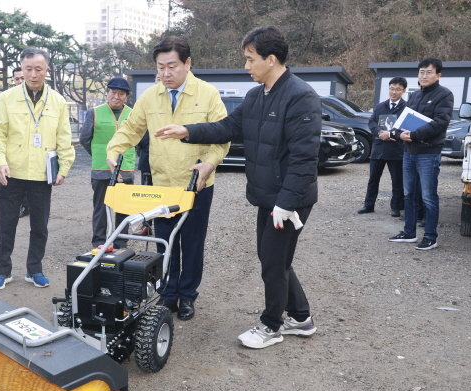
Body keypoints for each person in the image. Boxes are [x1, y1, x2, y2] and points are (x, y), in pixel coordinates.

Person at [156, 26, 320, 347]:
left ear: (270, 59)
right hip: (267, 196)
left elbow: (305, 158)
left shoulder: (301, 96)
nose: (246, 66)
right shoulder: (256, 96)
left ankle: (271, 326)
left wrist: (286, 203)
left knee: (273, 263)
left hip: (289, 200)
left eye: (250, 59)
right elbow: (227, 128)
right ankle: (301, 317)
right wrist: (187, 130)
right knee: (273, 259)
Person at [106, 37, 229, 321]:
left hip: (196, 185)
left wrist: (210, 163)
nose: (165, 73)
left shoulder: (208, 94)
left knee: (192, 243)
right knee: (164, 242)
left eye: (172, 66)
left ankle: (187, 295)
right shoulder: (151, 96)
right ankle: (168, 292)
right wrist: (114, 151)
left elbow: (222, 135)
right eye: (160, 67)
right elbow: (131, 130)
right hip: (161, 187)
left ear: (187, 63)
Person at [0, 47, 75, 290]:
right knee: (6, 224)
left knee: (40, 226)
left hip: (42, 174)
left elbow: (64, 138)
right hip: (12, 173)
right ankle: (2, 272)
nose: (33, 74)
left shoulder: (57, 101)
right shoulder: (7, 98)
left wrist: (64, 168)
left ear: (47, 70)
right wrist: (0, 162)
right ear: (21, 70)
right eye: (28, 69)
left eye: (38, 69)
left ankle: (34, 269)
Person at [388, 57, 453, 250]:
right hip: (409, 152)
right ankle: (409, 232)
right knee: (409, 194)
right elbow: (404, 119)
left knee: (428, 197)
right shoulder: (415, 95)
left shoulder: (444, 95)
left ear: (438, 75)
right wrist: (397, 133)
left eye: (428, 72)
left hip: (428, 152)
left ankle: (431, 237)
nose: (424, 76)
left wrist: (414, 135)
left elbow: (440, 123)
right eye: (421, 72)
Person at [80, 77, 136, 248]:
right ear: (107, 93)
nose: (116, 97)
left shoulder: (133, 114)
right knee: (101, 207)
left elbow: (139, 139)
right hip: (101, 168)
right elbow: (84, 139)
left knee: (123, 207)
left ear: (127, 96)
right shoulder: (94, 112)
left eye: (121, 94)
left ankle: (120, 241)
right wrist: (98, 154)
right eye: (113, 92)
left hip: (125, 168)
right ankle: (99, 241)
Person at [357, 77, 407, 217]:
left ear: (403, 91)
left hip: (396, 149)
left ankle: (396, 207)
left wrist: (390, 134)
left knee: (397, 181)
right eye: (391, 89)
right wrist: (380, 132)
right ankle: (368, 205)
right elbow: (372, 122)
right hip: (379, 148)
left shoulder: (406, 108)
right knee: (373, 179)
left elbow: (405, 126)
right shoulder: (380, 106)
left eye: (397, 89)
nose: (394, 92)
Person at [133, 72, 163, 237]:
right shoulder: (147, 101)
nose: (161, 80)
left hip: (168, 159)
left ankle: (164, 225)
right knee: (147, 195)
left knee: (164, 194)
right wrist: (144, 144)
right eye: (158, 78)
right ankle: (146, 225)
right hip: (148, 157)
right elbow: (137, 128)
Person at [12, 68, 30, 219]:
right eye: (17, 79)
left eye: (22, 78)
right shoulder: (9, 99)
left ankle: (32, 206)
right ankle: (23, 205)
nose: (19, 81)